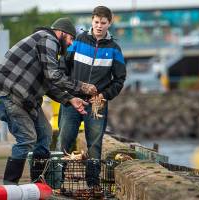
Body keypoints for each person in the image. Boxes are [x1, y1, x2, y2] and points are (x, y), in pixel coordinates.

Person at [0, 17, 98, 185]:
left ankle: (38, 184)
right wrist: (82, 87)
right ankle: (9, 186)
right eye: (70, 39)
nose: (70, 44)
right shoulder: (48, 39)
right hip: (6, 97)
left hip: (25, 100)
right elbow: (54, 75)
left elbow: (48, 85)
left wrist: (70, 100)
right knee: (27, 138)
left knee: (45, 133)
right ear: (62, 33)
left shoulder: (45, 44)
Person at [56, 6, 126, 187]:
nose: (99, 26)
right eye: (96, 22)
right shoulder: (78, 41)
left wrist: (104, 95)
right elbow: (63, 67)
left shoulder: (114, 49)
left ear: (109, 23)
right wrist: (67, 93)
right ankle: (55, 182)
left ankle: (93, 185)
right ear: (92, 21)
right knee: (64, 140)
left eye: (103, 23)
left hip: (97, 104)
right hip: (72, 101)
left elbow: (119, 79)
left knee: (94, 145)